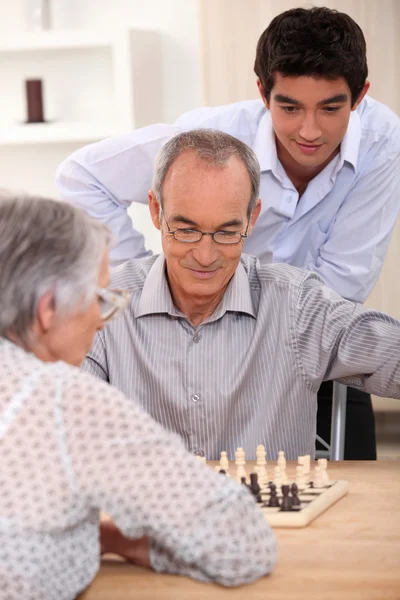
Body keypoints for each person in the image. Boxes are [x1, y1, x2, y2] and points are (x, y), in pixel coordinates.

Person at [55, 6, 400, 460]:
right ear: (263, 93)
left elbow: (345, 289)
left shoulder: (383, 142)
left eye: (331, 108)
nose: (310, 130)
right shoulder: (207, 140)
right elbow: (82, 177)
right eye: (290, 106)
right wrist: (150, 282)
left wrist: (273, 324)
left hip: (298, 335)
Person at [0, 191, 277, 600]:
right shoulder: (64, 402)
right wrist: (122, 542)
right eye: (97, 297)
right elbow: (242, 546)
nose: (100, 319)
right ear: (47, 309)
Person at [82, 129, 400, 463]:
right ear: (155, 211)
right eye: (186, 230)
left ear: (252, 218)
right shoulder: (102, 306)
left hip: (271, 516)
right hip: (140, 515)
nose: (205, 256)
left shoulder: (297, 306)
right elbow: (52, 416)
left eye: (227, 232)